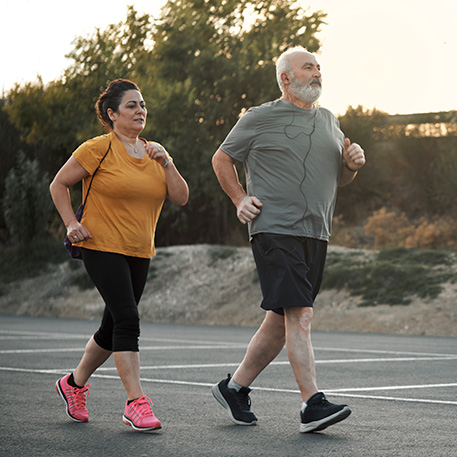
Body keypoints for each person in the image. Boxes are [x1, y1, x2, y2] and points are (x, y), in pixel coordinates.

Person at [211, 46, 365, 433]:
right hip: (274, 227)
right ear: (285, 78)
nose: (316, 73)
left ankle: (234, 388)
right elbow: (222, 158)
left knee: (281, 322)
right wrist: (239, 198)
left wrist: (351, 166)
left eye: (318, 67)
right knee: (301, 314)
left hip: (316, 231)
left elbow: (338, 179)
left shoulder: (331, 121)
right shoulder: (259, 117)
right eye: (307, 67)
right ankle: (312, 404)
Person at [49, 79, 189, 432]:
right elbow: (59, 184)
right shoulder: (98, 149)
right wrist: (70, 223)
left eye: (142, 105)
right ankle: (135, 403)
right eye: (131, 106)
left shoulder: (156, 153)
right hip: (100, 244)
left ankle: (73, 384)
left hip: (139, 249)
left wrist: (168, 162)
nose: (140, 110)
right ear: (111, 114)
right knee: (128, 319)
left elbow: (181, 197)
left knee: (112, 328)